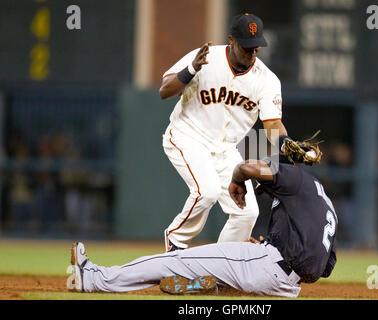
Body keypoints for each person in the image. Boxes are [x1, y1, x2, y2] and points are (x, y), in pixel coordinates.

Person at [67, 135, 337, 298]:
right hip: (288, 288)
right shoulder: (323, 203)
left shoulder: (292, 176)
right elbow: (326, 266)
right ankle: (203, 287)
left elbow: (247, 166)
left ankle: (92, 278)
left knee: (174, 261)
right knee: (230, 275)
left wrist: (237, 178)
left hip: (268, 268)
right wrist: (274, 246)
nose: (265, 192)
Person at [159, 13, 290, 252]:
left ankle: (220, 265)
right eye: (246, 47)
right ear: (231, 40)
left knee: (247, 212)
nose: (252, 53)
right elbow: (164, 91)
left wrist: (285, 145)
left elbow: (272, 125)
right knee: (206, 192)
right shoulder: (204, 59)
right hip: (187, 136)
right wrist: (190, 69)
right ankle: (175, 244)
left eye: (256, 48)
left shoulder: (267, 80)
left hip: (225, 149)